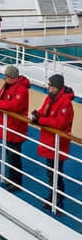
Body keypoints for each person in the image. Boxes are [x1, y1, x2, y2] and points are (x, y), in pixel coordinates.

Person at [32, 73, 74, 214]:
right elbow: (44, 111)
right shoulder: (50, 98)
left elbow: (60, 123)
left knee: (56, 174)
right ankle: (52, 198)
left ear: (56, 87)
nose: (48, 87)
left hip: (57, 144)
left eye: (50, 85)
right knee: (51, 173)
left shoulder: (65, 103)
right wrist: (36, 114)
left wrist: (40, 120)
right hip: (49, 141)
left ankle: (58, 202)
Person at [0, 65, 30, 191]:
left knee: (14, 156)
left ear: (13, 78)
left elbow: (14, 106)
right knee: (10, 154)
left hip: (15, 128)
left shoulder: (22, 90)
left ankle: (16, 182)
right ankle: (12, 179)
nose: (4, 78)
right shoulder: (7, 86)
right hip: (8, 126)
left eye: (7, 76)